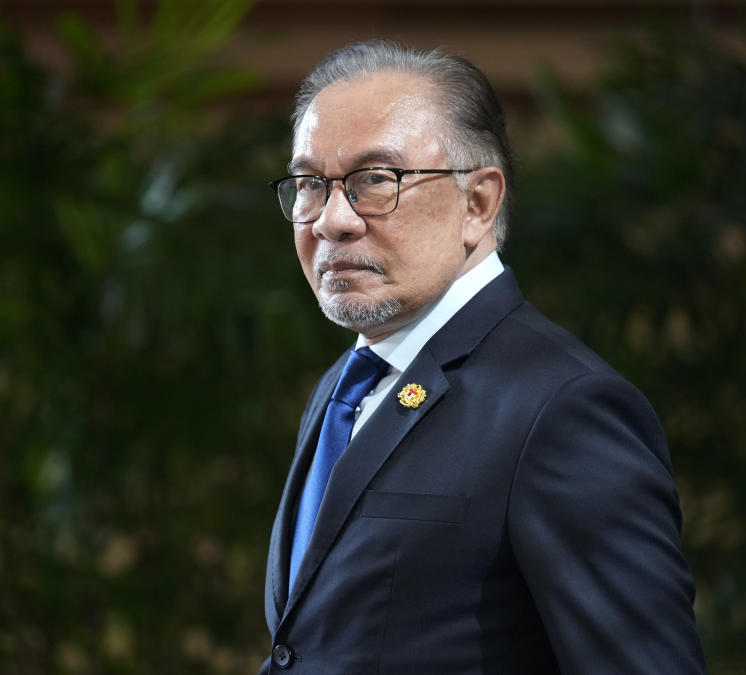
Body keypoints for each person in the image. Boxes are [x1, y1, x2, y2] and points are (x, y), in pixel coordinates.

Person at [260, 40, 706, 674]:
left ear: (478, 203)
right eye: (311, 184)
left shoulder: (561, 409)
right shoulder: (346, 385)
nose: (332, 220)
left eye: (375, 181)